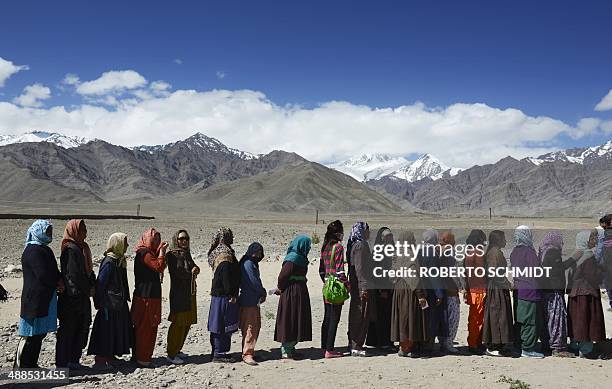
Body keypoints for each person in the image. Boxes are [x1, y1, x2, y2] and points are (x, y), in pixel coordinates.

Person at [15, 220, 64, 368]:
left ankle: (31, 364)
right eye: (47, 231)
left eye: (51, 231)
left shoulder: (45, 250)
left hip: (44, 299)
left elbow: (53, 271)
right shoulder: (33, 250)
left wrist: (59, 280)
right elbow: (42, 274)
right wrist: (57, 283)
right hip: (34, 300)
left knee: (39, 334)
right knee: (30, 335)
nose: (50, 234)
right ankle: (22, 366)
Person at [88, 233, 133, 370]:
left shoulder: (119, 261)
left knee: (115, 329)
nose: (127, 246)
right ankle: (101, 359)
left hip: (117, 303)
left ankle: (110, 355)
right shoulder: (109, 262)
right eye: (124, 243)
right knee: (106, 330)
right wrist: (98, 302)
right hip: (109, 304)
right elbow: (101, 284)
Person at [56, 219, 96, 369]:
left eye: (85, 229)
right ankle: (63, 364)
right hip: (72, 298)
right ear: (74, 231)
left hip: (81, 296)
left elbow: (88, 272)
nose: (85, 233)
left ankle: (74, 360)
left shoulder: (82, 248)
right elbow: (73, 276)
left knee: (81, 328)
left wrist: (92, 283)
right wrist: (85, 290)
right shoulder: (70, 249)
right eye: (81, 230)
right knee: (68, 331)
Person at [567, 230, 606, 358]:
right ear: (585, 241)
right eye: (592, 238)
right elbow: (592, 276)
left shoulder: (575, 254)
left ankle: (574, 346)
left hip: (575, 293)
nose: (594, 240)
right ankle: (586, 349)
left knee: (576, 320)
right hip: (586, 294)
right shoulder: (588, 256)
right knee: (586, 320)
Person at [131, 228, 167, 367]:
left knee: (147, 327)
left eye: (158, 239)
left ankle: (141, 356)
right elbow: (158, 266)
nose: (157, 242)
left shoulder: (149, 253)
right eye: (154, 240)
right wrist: (162, 253)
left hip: (148, 296)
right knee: (146, 328)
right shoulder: (145, 253)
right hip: (147, 297)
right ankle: (143, 358)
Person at [390, 230, 428, 357]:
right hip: (409, 290)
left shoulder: (397, 253)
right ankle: (406, 348)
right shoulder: (410, 254)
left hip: (399, 289)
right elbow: (414, 277)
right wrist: (421, 295)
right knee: (409, 318)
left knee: (402, 318)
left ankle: (403, 346)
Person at [274, 235, 312, 359]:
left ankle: (292, 347)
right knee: (290, 318)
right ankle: (286, 349)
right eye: (308, 245)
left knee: (296, 318)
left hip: (298, 291)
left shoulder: (301, 258)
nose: (309, 248)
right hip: (291, 292)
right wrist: (280, 288)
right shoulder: (293, 258)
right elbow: (283, 276)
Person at [538, 230, 575, 358]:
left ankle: (547, 345)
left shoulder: (543, 251)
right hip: (553, 291)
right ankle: (558, 348)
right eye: (561, 239)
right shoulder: (553, 252)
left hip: (545, 291)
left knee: (548, 319)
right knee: (557, 319)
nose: (563, 242)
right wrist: (573, 259)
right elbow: (557, 270)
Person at [510, 225, 545, 359]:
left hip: (519, 290)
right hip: (530, 291)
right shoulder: (529, 252)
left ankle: (519, 345)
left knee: (520, 320)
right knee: (530, 321)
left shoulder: (514, 251)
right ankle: (528, 348)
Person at [207, 227, 241, 363]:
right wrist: (231, 293)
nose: (232, 238)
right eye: (229, 235)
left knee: (218, 323)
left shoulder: (218, 252)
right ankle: (219, 353)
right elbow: (226, 276)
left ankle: (217, 351)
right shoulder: (225, 254)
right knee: (222, 323)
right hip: (224, 296)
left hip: (218, 295)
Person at [166, 230, 199, 365]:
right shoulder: (172, 255)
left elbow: (192, 266)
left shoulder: (186, 253)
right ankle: (171, 353)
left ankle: (178, 349)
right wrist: (192, 273)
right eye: (181, 239)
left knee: (186, 322)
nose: (184, 241)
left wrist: (196, 268)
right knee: (178, 323)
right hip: (179, 294)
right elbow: (178, 273)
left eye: (186, 238)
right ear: (176, 240)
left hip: (189, 293)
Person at [482, 230, 514, 357]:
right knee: (497, 316)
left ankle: (500, 345)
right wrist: (507, 284)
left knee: (501, 316)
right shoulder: (494, 253)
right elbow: (494, 274)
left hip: (499, 288)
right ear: (498, 240)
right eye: (503, 238)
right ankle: (493, 346)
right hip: (496, 290)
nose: (505, 241)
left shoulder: (496, 252)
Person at [319, 220, 348, 358]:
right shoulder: (338, 247)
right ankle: (329, 350)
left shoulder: (325, 247)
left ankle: (324, 346)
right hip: (336, 287)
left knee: (327, 316)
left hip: (326, 286)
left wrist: (326, 281)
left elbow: (321, 270)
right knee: (334, 318)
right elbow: (340, 271)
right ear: (337, 233)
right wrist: (348, 285)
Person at [347, 221, 375, 357]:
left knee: (359, 314)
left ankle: (354, 344)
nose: (369, 233)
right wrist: (364, 287)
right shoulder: (360, 246)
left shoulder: (357, 244)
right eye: (367, 230)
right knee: (360, 314)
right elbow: (359, 268)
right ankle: (356, 345)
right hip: (361, 287)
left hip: (358, 285)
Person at [365, 227, 395, 352]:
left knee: (386, 315)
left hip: (388, 286)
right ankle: (383, 342)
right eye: (387, 236)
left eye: (390, 236)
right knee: (383, 316)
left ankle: (381, 341)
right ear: (382, 238)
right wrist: (382, 289)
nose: (389, 238)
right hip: (382, 288)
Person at [419, 229, 447, 354]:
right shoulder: (431, 252)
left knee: (423, 316)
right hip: (430, 289)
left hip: (421, 288)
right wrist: (439, 293)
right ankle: (428, 345)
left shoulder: (419, 249)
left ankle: (421, 342)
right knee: (431, 317)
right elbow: (434, 274)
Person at [238, 242, 266, 365]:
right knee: (250, 327)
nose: (258, 255)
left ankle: (249, 351)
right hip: (248, 300)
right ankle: (247, 353)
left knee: (254, 326)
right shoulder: (248, 264)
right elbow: (253, 281)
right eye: (256, 252)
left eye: (260, 253)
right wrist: (262, 291)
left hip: (252, 300)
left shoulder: (251, 263)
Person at [463, 229, 487, 354]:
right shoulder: (476, 253)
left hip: (474, 289)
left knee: (476, 318)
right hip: (478, 290)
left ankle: (476, 342)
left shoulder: (470, 252)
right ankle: (473, 344)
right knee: (476, 319)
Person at [438, 231, 460, 354]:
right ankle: (448, 344)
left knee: (444, 318)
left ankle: (443, 342)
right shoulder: (448, 252)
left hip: (441, 290)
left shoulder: (437, 250)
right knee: (452, 318)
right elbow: (453, 274)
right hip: (450, 290)